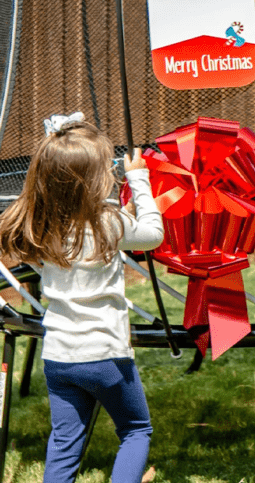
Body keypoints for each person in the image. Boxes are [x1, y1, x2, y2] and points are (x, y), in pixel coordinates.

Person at [0, 115, 164, 483]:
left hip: (59, 358)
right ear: (92, 181)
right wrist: (139, 179)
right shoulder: (109, 223)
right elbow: (153, 234)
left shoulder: (42, 224)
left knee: (64, 442)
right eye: (106, 169)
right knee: (136, 430)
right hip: (106, 356)